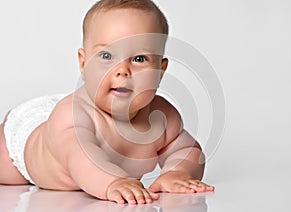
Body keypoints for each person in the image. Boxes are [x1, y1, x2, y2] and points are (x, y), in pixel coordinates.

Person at [0, 0, 214, 205]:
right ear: (83, 64)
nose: (122, 70)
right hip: (24, 146)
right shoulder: (71, 117)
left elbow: (187, 150)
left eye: (139, 59)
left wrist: (177, 172)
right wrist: (113, 182)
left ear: (161, 70)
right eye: (106, 55)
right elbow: (82, 160)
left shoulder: (162, 116)